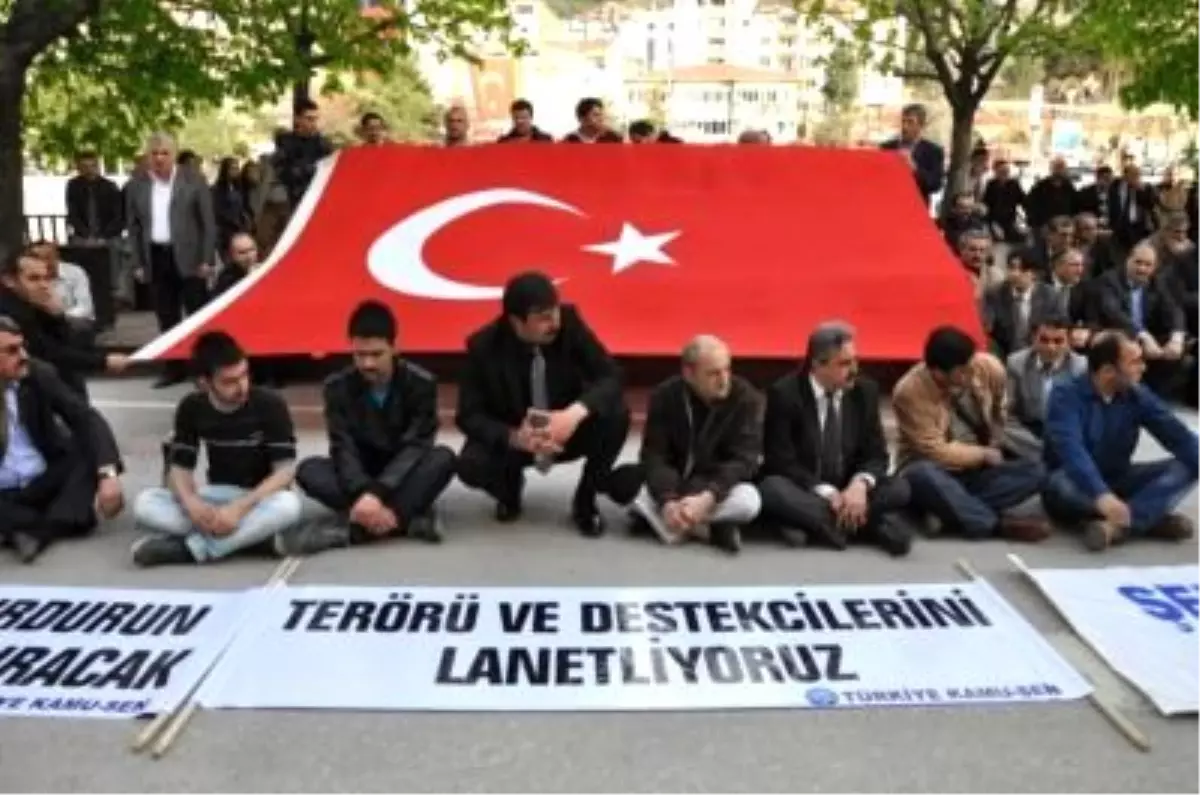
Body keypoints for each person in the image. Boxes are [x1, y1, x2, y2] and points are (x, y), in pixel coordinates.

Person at [455, 271, 641, 535]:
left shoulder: (570, 324)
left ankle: (585, 501)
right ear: (516, 322)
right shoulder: (483, 347)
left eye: (554, 312)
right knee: (470, 466)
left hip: (565, 430)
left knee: (616, 414)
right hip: (517, 437)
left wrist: (573, 414)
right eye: (542, 318)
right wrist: (515, 437)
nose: (553, 323)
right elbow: (468, 415)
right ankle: (508, 490)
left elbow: (612, 375)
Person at [285, 301, 457, 554]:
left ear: (394, 348)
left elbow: (417, 445)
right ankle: (405, 521)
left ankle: (358, 528)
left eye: (376, 354)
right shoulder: (337, 387)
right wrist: (363, 491)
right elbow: (342, 447)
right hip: (359, 476)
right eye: (359, 355)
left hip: (402, 475)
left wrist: (378, 492)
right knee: (308, 470)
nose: (367, 364)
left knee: (443, 458)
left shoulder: (422, 383)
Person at [129, 331, 303, 567]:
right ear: (205, 383)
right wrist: (192, 504)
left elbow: (284, 472)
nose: (241, 387)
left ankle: (192, 549)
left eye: (244, 375)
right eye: (229, 382)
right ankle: (254, 539)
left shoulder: (269, 404)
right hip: (217, 496)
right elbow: (180, 468)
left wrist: (239, 510)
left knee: (289, 506)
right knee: (145, 503)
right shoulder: (192, 407)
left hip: (259, 498)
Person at [758, 322, 913, 557]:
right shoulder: (785, 394)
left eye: (855, 361)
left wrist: (860, 485)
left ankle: (816, 525)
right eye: (844, 364)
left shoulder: (865, 392)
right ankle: (868, 525)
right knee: (771, 489)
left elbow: (876, 454)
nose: (854, 370)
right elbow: (780, 461)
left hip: (850, 486)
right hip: (808, 488)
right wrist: (829, 494)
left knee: (900, 487)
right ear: (817, 365)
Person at [1042, 331, 1200, 551]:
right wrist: (1101, 494)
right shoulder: (1065, 394)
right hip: (1075, 482)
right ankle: (1148, 518)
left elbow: (1177, 435)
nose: (1143, 368)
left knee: (1189, 461)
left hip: (1119, 479)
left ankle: (1120, 526)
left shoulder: (1136, 394)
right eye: (1135, 362)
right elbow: (1071, 451)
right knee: (1060, 486)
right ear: (1108, 371)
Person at [894, 326, 1051, 542]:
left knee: (1037, 469)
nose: (970, 373)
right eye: (962, 371)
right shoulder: (910, 391)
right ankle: (996, 525)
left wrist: (995, 443)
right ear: (938, 372)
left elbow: (1000, 412)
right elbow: (935, 450)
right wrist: (982, 454)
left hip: (977, 470)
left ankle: (950, 511)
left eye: (971, 365)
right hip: (937, 468)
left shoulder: (987, 368)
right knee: (921, 475)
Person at [0, 316, 125, 563]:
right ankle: (55, 523)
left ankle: (22, 529)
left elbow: (87, 418)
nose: (23, 355)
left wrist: (108, 475)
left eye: (23, 346)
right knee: (80, 518)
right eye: (12, 350)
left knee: (86, 448)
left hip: (42, 479)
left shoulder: (38, 373)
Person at [632, 335, 762, 553]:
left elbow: (744, 460)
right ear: (689, 374)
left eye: (727, 370)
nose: (724, 380)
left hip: (714, 487)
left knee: (749, 502)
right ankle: (707, 530)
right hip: (675, 482)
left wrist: (707, 498)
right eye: (713, 373)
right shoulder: (665, 396)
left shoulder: (746, 398)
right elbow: (655, 455)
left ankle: (672, 524)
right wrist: (667, 501)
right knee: (628, 484)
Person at [125, 131, 217, 387]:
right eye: (154, 153)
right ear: (147, 156)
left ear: (174, 154)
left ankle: (203, 367)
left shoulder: (193, 179)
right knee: (167, 316)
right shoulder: (137, 184)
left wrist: (207, 259)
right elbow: (133, 227)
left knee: (197, 314)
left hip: (190, 257)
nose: (159, 158)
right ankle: (174, 368)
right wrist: (138, 263)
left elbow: (208, 224)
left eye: (165, 153)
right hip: (156, 256)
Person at [0, 252, 128, 397]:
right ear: (9, 280)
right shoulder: (9, 310)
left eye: (47, 279)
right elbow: (48, 352)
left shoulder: (31, 303)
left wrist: (57, 315)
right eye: (34, 279)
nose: (43, 285)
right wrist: (102, 362)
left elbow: (64, 343)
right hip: (12, 386)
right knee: (48, 373)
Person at [1003, 311, 1087, 461]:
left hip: (1066, 430)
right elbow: (1008, 412)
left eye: (1058, 341)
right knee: (1002, 428)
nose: (1051, 347)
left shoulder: (1081, 368)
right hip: (1030, 430)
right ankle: (1048, 456)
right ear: (1033, 338)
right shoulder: (1016, 363)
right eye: (1044, 340)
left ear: (1068, 342)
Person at [879, 103, 945, 208]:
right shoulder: (886, 147)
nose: (905, 126)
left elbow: (935, 184)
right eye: (903, 121)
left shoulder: (933, 151)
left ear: (921, 125)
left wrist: (914, 169)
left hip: (916, 210)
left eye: (910, 122)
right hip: (889, 206)